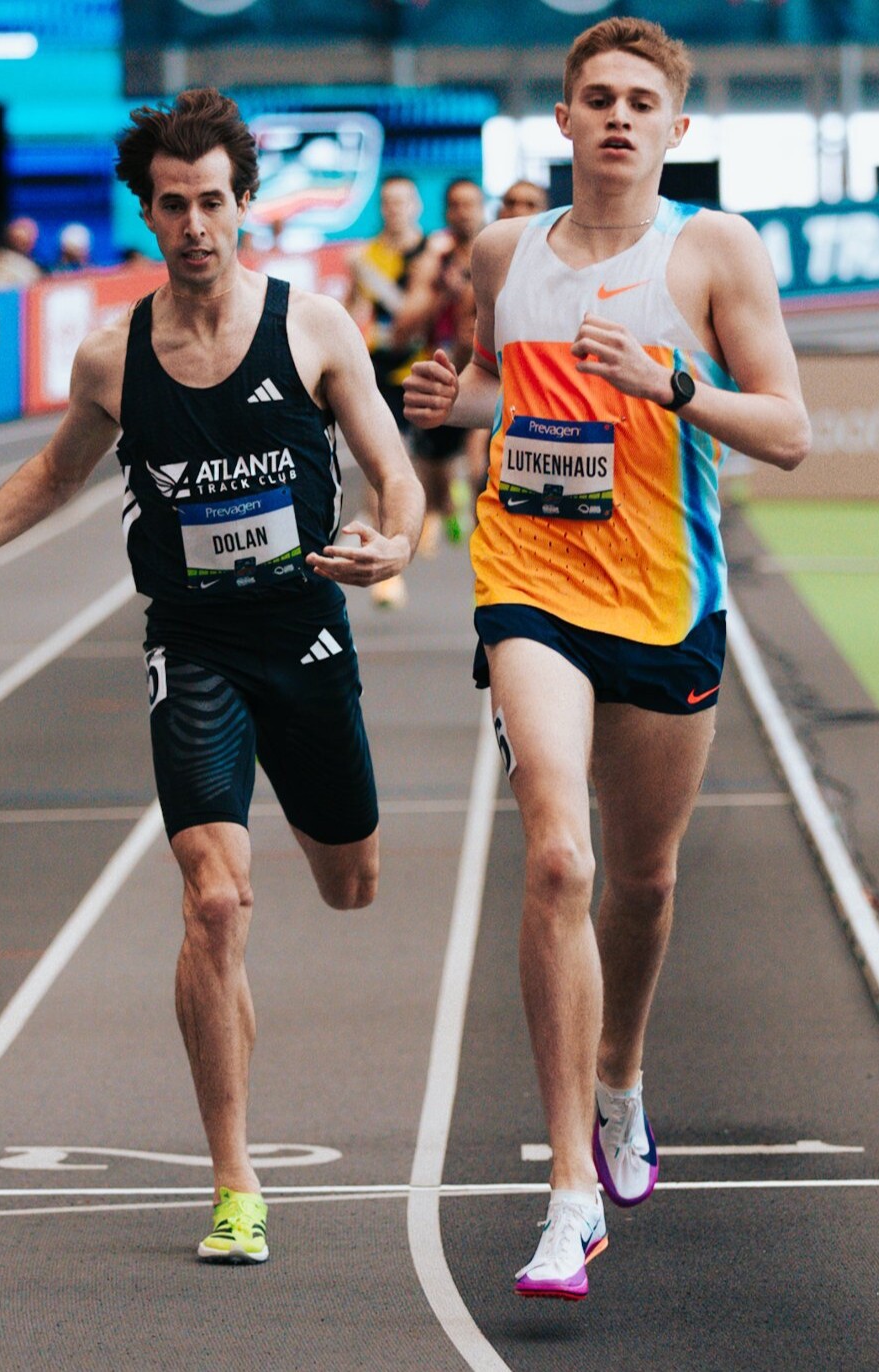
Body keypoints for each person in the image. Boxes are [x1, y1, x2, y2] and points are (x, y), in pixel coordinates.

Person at [0, 88, 424, 1266]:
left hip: (305, 634)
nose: (195, 224)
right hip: (193, 644)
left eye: (212, 200)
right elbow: (55, 477)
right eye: (172, 205)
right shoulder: (113, 357)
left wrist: (398, 539)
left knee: (351, 883)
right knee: (214, 901)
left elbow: (394, 472)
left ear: (244, 202)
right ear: (146, 214)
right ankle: (235, 1179)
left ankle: (298, 890)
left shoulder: (314, 329)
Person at [404, 15, 810, 1301]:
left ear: (675, 127)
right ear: (564, 121)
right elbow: (505, 387)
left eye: (642, 100)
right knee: (558, 858)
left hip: (666, 597)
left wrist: (671, 382)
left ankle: (621, 1078)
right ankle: (569, 1189)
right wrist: (456, 401)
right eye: (599, 97)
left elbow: (788, 430)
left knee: (642, 877)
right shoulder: (504, 252)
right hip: (531, 582)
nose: (620, 116)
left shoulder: (714, 249)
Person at [346, 173, 430, 608]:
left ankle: (437, 505)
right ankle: (389, 570)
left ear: (416, 205)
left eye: (402, 201)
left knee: (431, 465)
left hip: (428, 367)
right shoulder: (365, 257)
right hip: (381, 371)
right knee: (383, 464)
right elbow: (354, 308)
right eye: (388, 202)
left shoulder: (434, 253)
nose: (395, 209)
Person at [395, 177, 487, 553]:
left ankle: (482, 530)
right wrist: (439, 293)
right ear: (447, 211)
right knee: (436, 479)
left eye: (470, 204)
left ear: (483, 208)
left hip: (486, 372)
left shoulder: (498, 255)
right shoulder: (434, 262)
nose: (463, 212)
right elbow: (405, 326)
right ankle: (451, 503)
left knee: (479, 460)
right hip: (444, 371)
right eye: (456, 205)